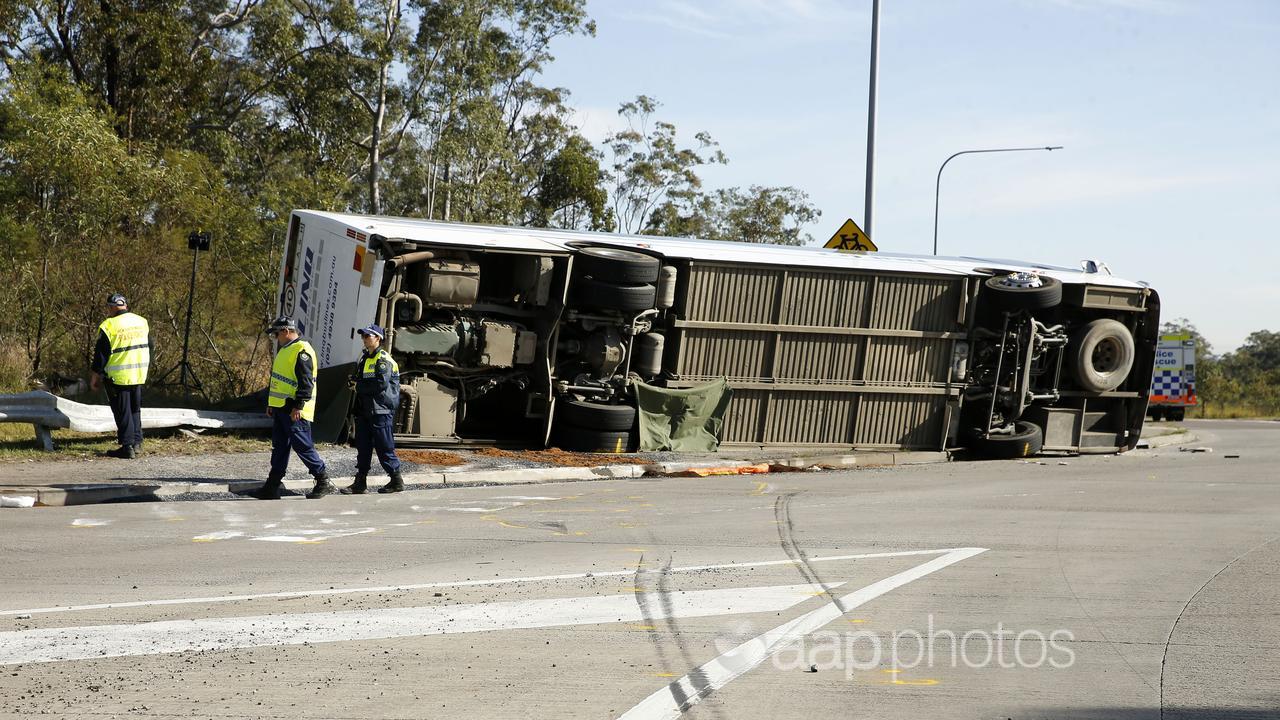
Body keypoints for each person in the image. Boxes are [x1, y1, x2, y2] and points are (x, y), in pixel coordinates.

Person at [253, 316, 334, 500]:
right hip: (282, 408)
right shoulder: (286, 349)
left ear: (286, 331)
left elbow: (306, 383)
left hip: (295, 410)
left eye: (276, 334)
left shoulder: (302, 350)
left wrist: (298, 406)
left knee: (303, 446)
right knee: (279, 447)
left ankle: (323, 480)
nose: (275, 338)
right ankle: (272, 486)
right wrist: (272, 404)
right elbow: (279, 382)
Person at [341, 324, 405, 494]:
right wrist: (354, 381)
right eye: (363, 335)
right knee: (363, 447)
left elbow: (380, 384)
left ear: (378, 338)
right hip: (365, 410)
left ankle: (396, 480)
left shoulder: (383, 359)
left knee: (384, 447)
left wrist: (358, 386)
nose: (364, 338)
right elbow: (364, 381)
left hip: (380, 410)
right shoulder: (365, 358)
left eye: (368, 336)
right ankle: (360, 482)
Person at [89, 293, 149, 459]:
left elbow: (101, 354)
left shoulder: (109, 325)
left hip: (119, 376)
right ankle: (137, 443)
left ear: (112, 307)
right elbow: (150, 345)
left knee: (123, 411)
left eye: (108, 307)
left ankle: (127, 446)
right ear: (125, 305)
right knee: (135, 409)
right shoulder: (141, 322)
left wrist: (95, 375)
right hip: (138, 373)